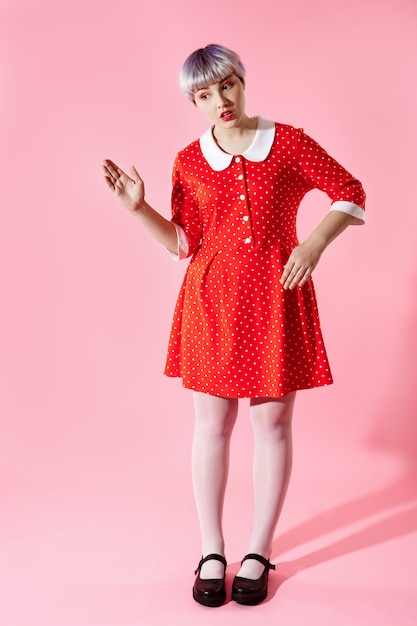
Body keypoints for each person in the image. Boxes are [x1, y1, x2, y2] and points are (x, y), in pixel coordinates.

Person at [102, 43, 366, 607]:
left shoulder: (289, 141)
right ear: (192, 100)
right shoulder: (189, 161)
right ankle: (212, 548)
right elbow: (183, 242)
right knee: (211, 426)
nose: (219, 100)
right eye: (204, 94)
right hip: (211, 302)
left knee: (272, 425)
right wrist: (137, 208)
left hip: (276, 297)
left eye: (227, 86)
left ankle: (258, 550)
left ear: (243, 82)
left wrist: (315, 244)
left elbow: (350, 192)